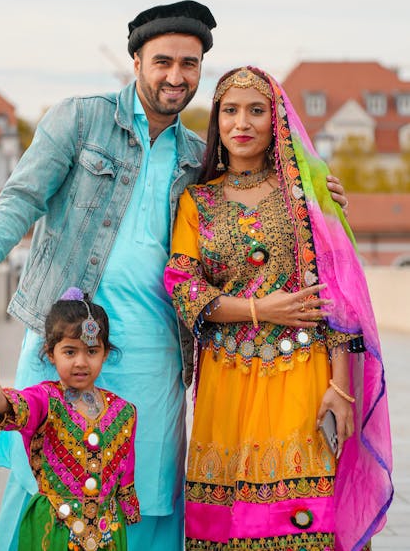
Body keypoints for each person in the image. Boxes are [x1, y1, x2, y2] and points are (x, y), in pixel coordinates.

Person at [0, 1, 348, 551]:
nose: (175, 76)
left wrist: (323, 194)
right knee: (44, 480)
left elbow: (255, 195)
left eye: (189, 64)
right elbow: (23, 195)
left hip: (152, 349)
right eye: (162, 61)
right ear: (136, 60)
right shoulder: (79, 119)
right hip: (63, 338)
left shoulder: (195, 157)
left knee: (147, 485)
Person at [164, 67, 393, 551]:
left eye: (256, 110)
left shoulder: (307, 198)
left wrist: (342, 389)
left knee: (302, 527)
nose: (241, 122)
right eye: (230, 110)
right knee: (228, 527)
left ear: (277, 121)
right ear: (216, 122)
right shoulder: (196, 202)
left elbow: (337, 296)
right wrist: (258, 308)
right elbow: (183, 287)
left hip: (304, 379)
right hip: (227, 383)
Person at [0, 287, 140, 551]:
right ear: (51, 353)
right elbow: (22, 406)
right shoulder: (46, 399)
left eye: (92, 351)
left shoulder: (124, 411)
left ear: (105, 353)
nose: (81, 362)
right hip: (52, 530)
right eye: (70, 352)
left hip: (106, 530)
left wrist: (127, 507)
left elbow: (126, 469)